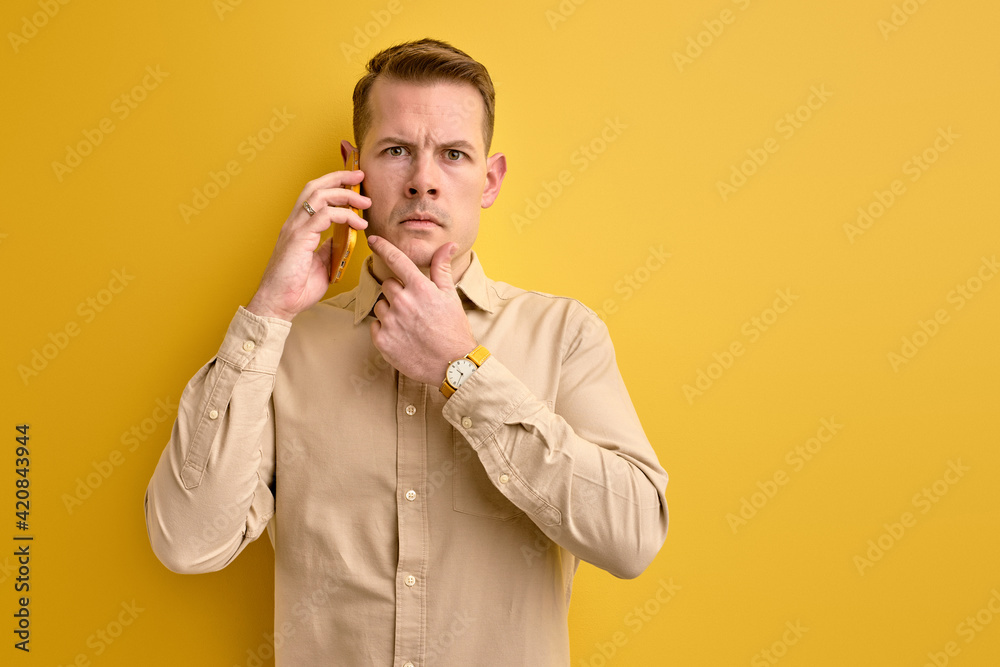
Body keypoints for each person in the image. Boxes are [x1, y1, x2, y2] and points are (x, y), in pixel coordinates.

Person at [145, 38, 668, 665]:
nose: (424, 181)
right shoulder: (286, 346)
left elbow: (633, 537)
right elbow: (186, 541)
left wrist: (462, 372)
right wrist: (267, 310)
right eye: (397, 151)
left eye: (453, 154)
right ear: (353, 165)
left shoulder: (566, 334)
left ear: (490, 179)